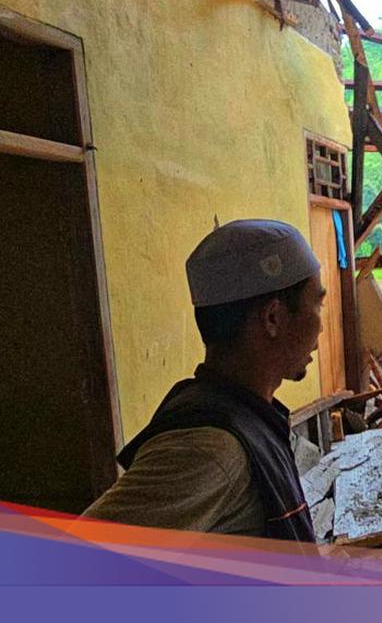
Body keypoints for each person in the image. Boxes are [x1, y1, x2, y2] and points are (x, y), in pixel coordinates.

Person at [82, 219, 325, 542]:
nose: (321, 326)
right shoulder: (209, 448)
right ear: (273, 318)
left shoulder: (245, 413)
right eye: (317, 304)